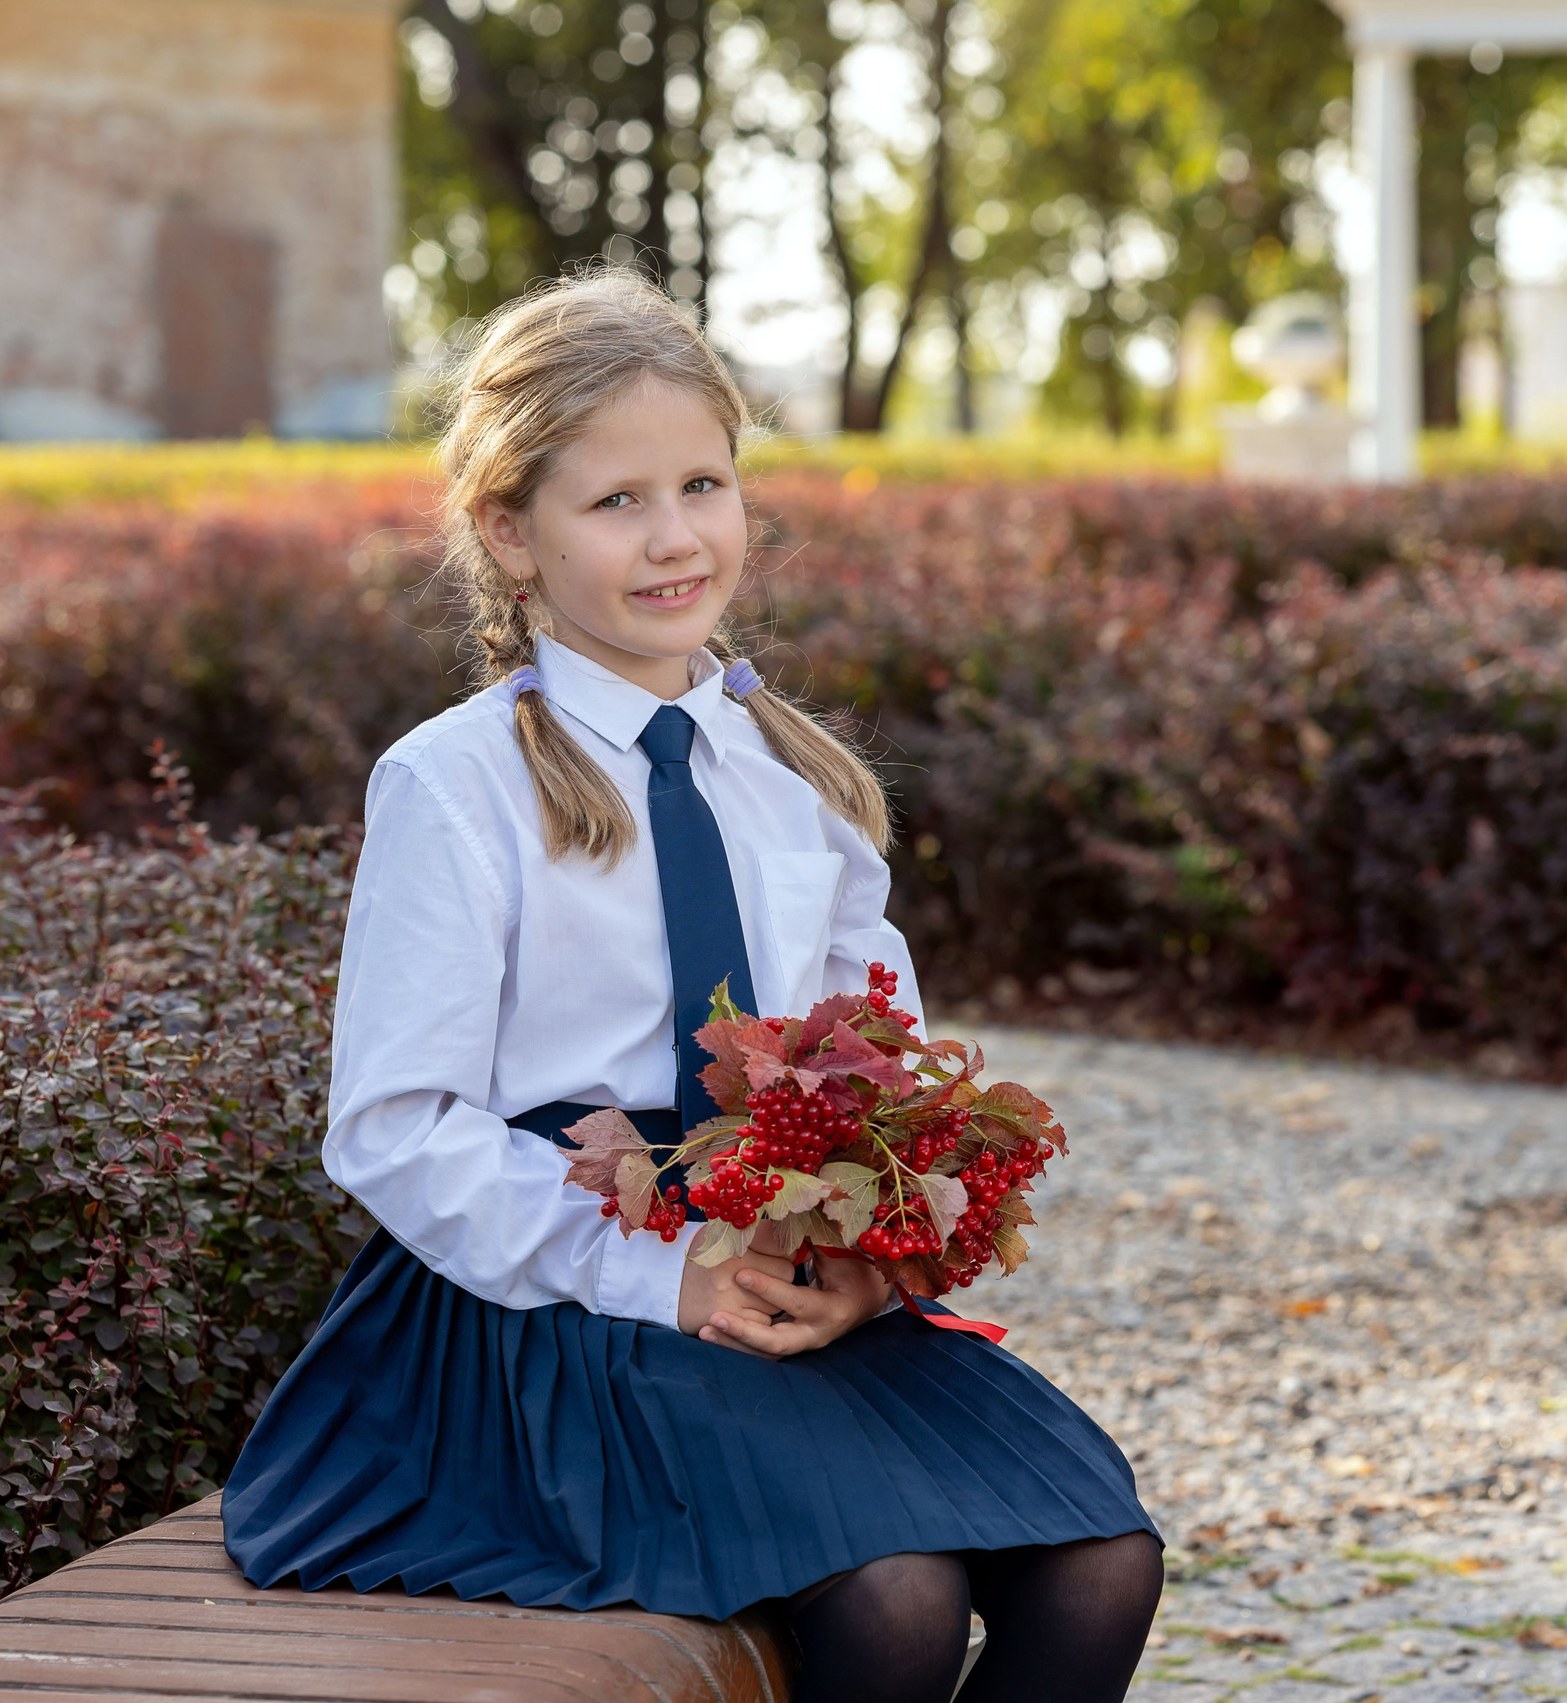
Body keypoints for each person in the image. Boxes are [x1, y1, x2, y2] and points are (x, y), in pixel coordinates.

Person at [220, 269, 1161, 1702]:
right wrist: (663, 1269)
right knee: (895, 1602)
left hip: (779, 1262)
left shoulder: (792, 779)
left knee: (1101, 1559)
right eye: (616, 503)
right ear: (507, 532)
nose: (675, 540)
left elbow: (873, 1064)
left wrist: (867, 1251)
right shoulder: (457, 784)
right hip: (541, 1311)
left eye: (702, 485)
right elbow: (394, 1125)